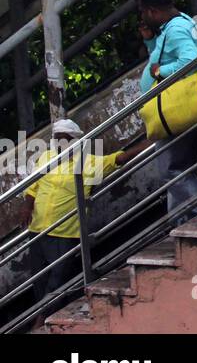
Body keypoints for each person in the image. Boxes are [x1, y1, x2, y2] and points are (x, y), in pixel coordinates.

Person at [20, 120, 150, 301]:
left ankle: (42, 317)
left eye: (63, 140)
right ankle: (40, 314)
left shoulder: (86, 161)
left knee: (58, 278)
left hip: (64, 231)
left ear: (74, 141)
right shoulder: (46, 157)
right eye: (56, 140)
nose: (58, 144)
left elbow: (117, 159)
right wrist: (27, 206)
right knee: (39, 279)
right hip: (37, 228)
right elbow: (32, 187)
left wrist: (151, 141)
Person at [137, 0, 197, 221]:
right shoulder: (180, 23)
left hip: (174, 111)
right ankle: (180, 223)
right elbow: (166, 54)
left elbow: (191, 60)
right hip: (178, 108)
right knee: (181, 169)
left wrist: (160, 71)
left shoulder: (176, 29)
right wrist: (150, 42)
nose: (143, 19)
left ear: (153, 11)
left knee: (172, 171)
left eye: (144, 13)